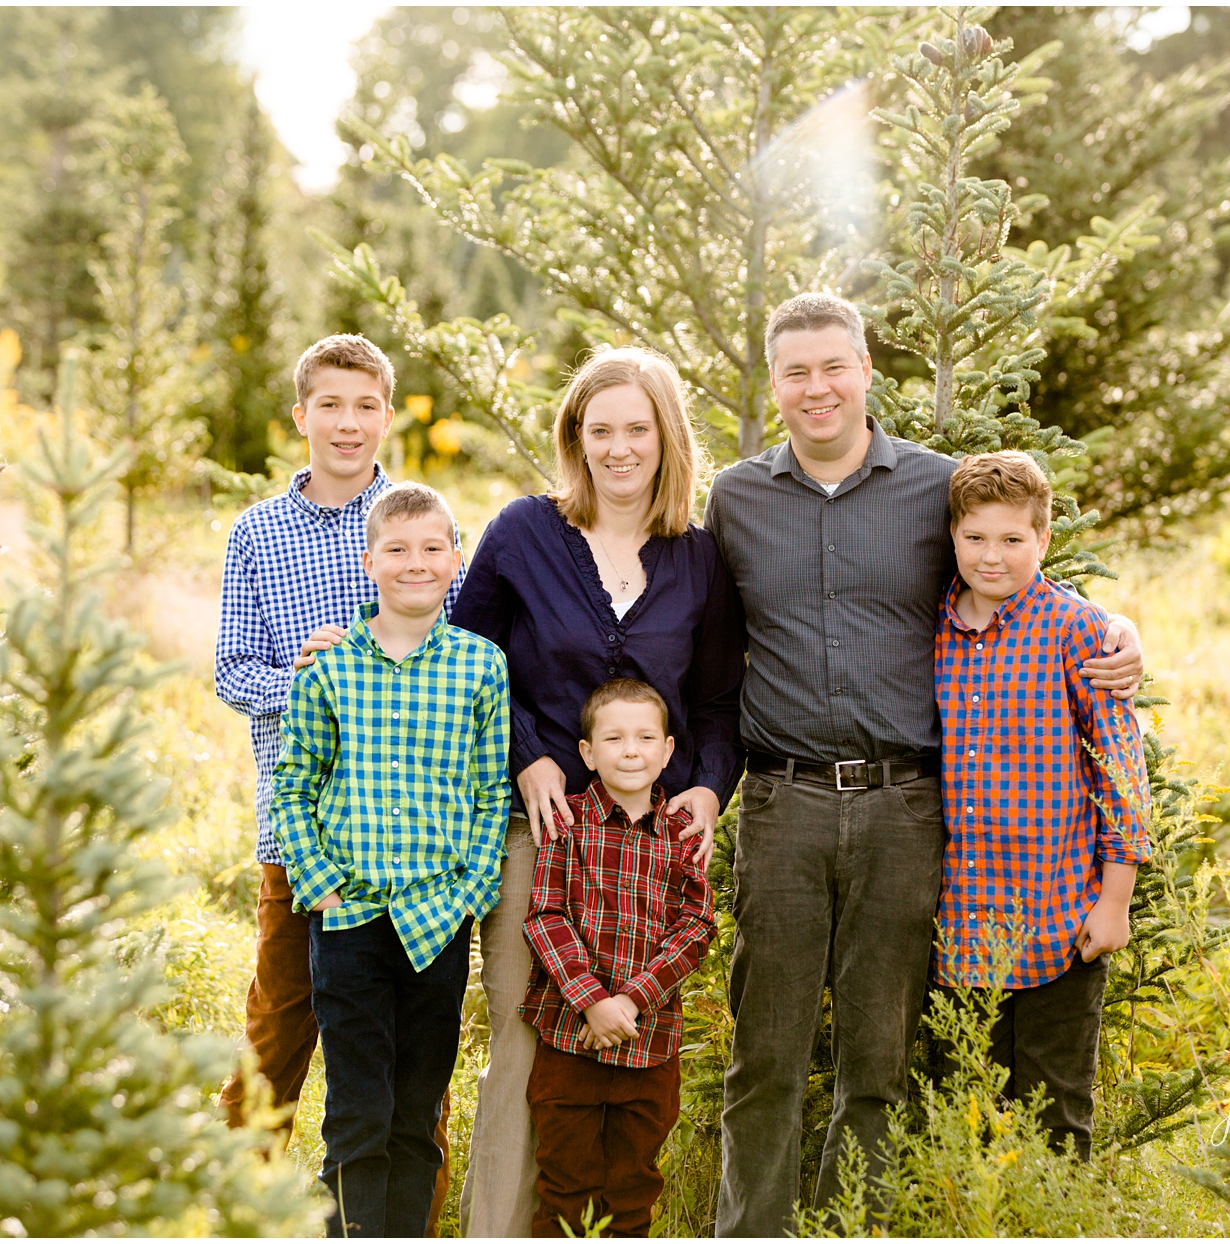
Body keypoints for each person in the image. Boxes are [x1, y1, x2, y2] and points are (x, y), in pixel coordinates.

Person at [704, 293, 1145, 1235]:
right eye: (795, 371)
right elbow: (704, 644)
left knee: (879, 1055)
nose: (816, 388)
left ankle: (854, 1228)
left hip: (908, 806)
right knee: (767, 1052)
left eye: (834, 367)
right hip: (783, 801)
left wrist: (1120, 631)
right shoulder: (737, 497)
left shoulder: (932, 488)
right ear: (773, 383)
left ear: (867, 371)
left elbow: (1014, 572)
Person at [451, 346, 744, 1236]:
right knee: (525, 1040)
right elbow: (461, 670)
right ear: (575, 438)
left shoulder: (697, 559)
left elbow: (720, 701)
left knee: (629, 1054)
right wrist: (526, 755)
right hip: (537, 834)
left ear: (667, 438)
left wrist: (706, 791)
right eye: (599, 429)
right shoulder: (523, 534)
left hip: (649, 855)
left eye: (637, 429)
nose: (619, 448)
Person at [213, 333, 462, 1225]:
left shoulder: (422, 525)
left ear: (386, 416)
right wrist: (307, 678)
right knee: (280, 1022)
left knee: (412, 1046)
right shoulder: (259, 532)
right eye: (330, 405)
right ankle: (238, 1205)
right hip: (302, 833)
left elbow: (459, 660)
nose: (347, 424)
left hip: (414, 844)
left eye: (365, 406)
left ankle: (402, 1218)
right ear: (301, 417)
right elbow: (232, 670)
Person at [273, 481, 511, 1238]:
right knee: (356, 1112)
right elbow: (296, 783)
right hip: (349, 919)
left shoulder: (482, 666)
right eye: (399, 550)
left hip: (436, 920)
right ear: (369, 559)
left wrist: (471, 891)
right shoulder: (330, 666)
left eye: (433, 548)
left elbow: (488, 790)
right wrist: (319, 889)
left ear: (456, 558)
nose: (417, 564)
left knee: (417, 1112)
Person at [932, 451, 1149, 1161]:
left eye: (1012, 540)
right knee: (964, 1110)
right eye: (975, 539)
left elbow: (1120, 773)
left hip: (1059, 919)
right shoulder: (931, 630)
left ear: (1043, 540)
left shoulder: (1078, 633)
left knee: (1056, 1115)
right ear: (953, 538)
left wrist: (1115, 900)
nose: (992, 557)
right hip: (957, 928)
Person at [519, 678, 717, 1237]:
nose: (630, 750)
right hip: (569, 1042)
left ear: (668, 750)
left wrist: (630, 999)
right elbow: (545, 915)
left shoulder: (684, 835)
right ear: (586, 752)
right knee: (564, 1188)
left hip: (649, 1046)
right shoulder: (566, 822)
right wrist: (593, 1002)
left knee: (631, 1191)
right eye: (613, 738)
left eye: (645, 738)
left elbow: (696, 924)